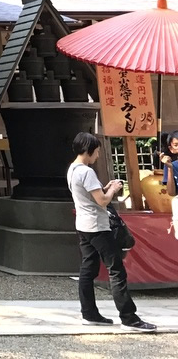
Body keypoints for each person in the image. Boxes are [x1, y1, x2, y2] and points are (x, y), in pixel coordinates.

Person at [67, 131, 155, 330]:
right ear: (88, 151)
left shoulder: (72, 169)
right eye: (96, 152)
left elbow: (91, 196)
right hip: (98, 227)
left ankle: (89, 313)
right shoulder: (86, 172)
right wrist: (113, 189)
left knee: (87, 270)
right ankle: (129, 317)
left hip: (83, 225)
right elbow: (103, 201)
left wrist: (105, 187)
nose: (97, 155)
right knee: (116, 271)